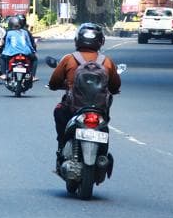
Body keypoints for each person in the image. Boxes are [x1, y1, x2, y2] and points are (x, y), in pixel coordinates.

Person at [47, 22, 121, 171]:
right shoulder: (107, 62)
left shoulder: (69, 59)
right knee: (104, 126)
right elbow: (115, 86)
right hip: (99, 110)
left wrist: (59, 86)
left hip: (73, 108)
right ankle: (102, 155)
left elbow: (54, 82)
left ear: (77, 40)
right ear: (100, 41)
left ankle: (62, 146)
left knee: (58, 111)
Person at [0, 15, 37, 81]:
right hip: (26, 52)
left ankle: (4, 74)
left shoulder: (8, 33)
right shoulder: (25, 32)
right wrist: (33, 51)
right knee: (35, 59)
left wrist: (4, 51)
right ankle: (33, 76)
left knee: (2, 58)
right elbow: (29, 44)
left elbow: (6, 44)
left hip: (11, 53)